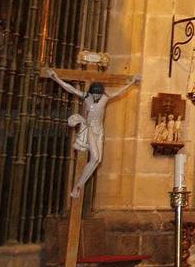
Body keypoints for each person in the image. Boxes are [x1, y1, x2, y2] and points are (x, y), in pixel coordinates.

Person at [42, 67, 141, 198]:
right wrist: (56, 78)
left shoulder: (105, 98)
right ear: (91, 92)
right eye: (94, 94)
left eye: (98, 94)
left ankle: (78, 186)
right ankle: (78, 187)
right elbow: (70, 89)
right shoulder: (86, 97)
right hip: (89, 129)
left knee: (97, 160)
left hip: (99, 130)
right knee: (94, 157)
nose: (96, 96)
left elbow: (118, 92)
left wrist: (132, 82)